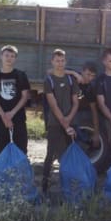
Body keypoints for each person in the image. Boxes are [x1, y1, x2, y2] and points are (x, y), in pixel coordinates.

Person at [42, 49, 79, 193]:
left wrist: (69, 120)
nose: (60, 63)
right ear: (52, 62)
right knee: (50, 154)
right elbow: (53, 104)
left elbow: (76, 103)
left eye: (62, 60)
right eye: (57, 61)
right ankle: (45, 186)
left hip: (71, 122)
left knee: (69, 155)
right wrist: (64, 123)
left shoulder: (71, 79)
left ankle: (69, 187)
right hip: (55, 123)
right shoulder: (49, 80)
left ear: (66, 62)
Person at [0, 45, 30, 154]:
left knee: (21, 146)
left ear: (15, 58)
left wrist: (11, 114)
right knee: (2, 145)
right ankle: (6, 169)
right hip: (0, 116)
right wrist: (4, 116)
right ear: (1, 56)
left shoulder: (21, 75)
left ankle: (20, 169)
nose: (9, 58)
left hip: (18, 116)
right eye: (6, 55)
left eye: (12, 56)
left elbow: (25, 96)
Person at [66, 61, 101, 148]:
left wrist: (96, 134)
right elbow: (50, 71)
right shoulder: (73, 76)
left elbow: (94, 111)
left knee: (76, 130)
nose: (89, 78)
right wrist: (73, 73)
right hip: (57, 108)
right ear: (82, 72)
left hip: (70, 113)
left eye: (92, 76)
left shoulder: (90, 89)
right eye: (88, 74)